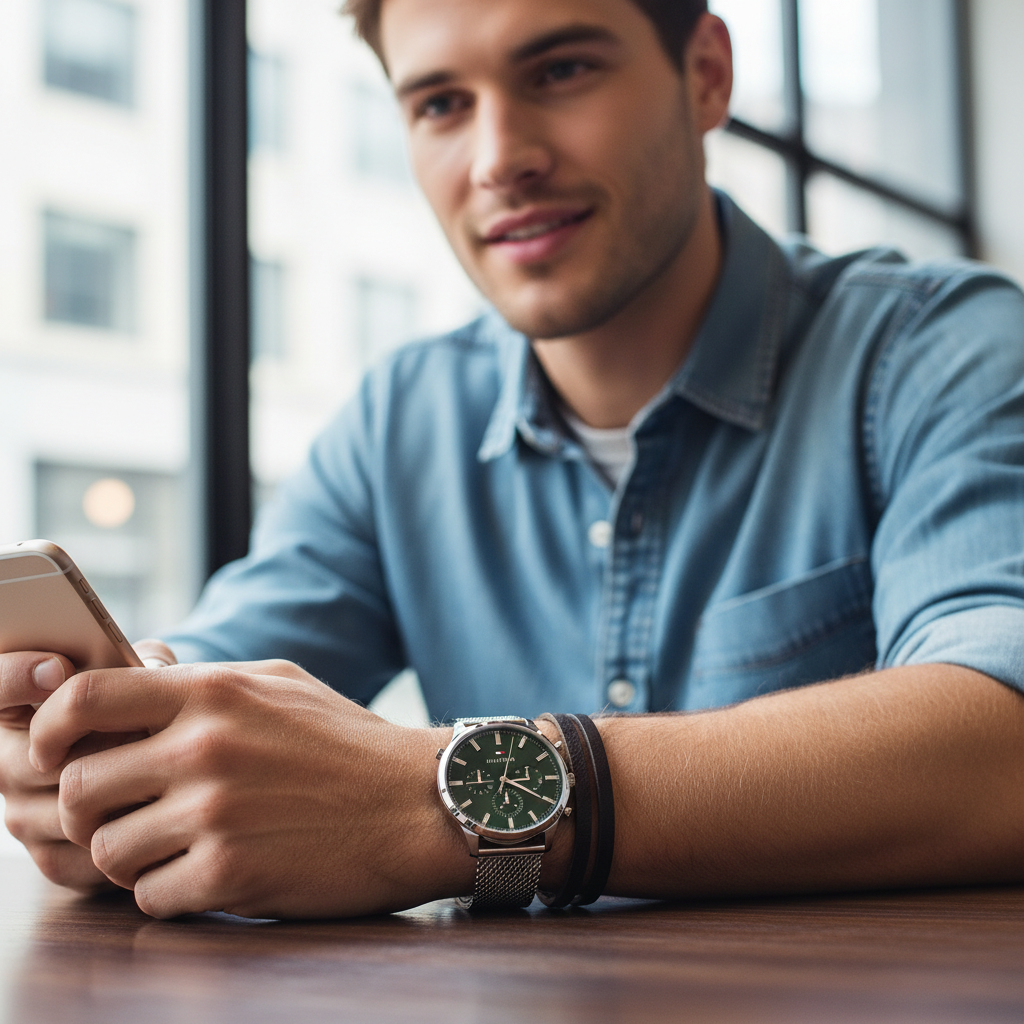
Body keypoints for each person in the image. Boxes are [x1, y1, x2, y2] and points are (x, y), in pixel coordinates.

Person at [2, 0, 1022, 919]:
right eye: (441, 103)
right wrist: (109, 757)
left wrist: (435, 797)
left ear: (705, 72)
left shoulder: (941, 351)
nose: (498, 156)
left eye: (561, 71)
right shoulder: (400, 417)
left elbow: (1001, 745)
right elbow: (220, 675)